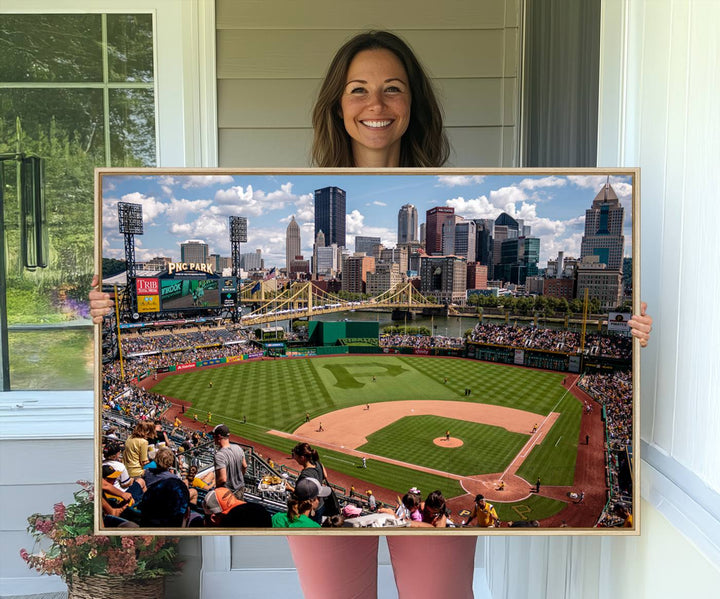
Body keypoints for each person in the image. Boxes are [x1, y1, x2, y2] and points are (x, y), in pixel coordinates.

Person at [88, 28, 654, 599]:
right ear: (337, 105)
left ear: (414, 105)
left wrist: (632, 334)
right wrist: (100, 311)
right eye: (358, 89)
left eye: (393, 89)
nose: (375, 104)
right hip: (325, 511)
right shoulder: (293, 185)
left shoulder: (459, 182)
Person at [212, 423, 247, 500]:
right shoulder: (238, 448)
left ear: (219, 437)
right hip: (240, 488)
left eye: (213, 436)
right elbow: (245, 466)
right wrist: (239, 478)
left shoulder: (219, 455)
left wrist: (216, 487)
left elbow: (223, 479)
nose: (213, 438)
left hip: (228, 493)